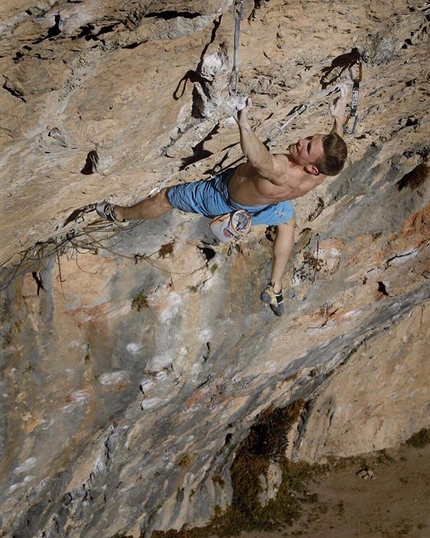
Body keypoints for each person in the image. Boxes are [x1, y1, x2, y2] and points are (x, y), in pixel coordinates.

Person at [96, 86, 348, 316]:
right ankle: (275, 287)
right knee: (287, 220)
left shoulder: (282, 170)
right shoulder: (321, 173)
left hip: (221, 198)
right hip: (264, 206)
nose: (301, 142)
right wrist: (338, 117)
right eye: (308, 139)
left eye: (306, 148)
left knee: (166, 197)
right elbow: (335, 145)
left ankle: (120, 215)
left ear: (313, 168)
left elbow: (259, 159)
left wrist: (244, 124)